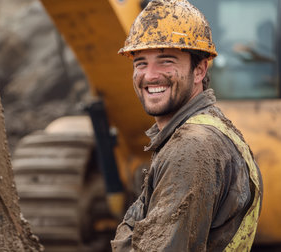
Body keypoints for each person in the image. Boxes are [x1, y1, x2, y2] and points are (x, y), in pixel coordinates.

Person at [110, 0, 263, 251]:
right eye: (140, 63)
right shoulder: (212, 128)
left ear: (200, 70)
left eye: (166, 61)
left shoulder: (191, 147)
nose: (150, 75)